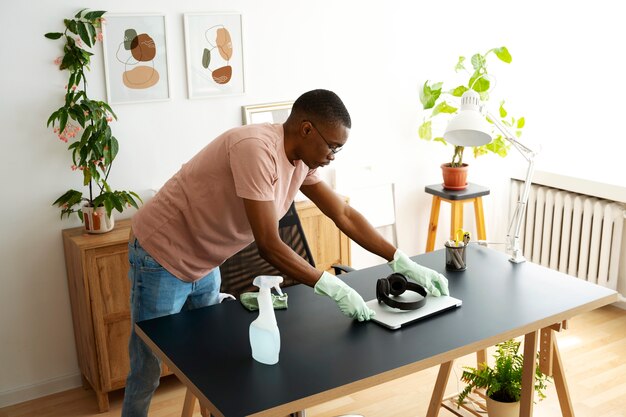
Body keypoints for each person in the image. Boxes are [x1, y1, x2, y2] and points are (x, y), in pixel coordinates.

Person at [121, 89, 449, 417]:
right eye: (333, 146)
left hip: (207, 260)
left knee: (210, 364)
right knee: (147, 369)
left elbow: (343, 215)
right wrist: (329, 285)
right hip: (160, 255)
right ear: (306, 129)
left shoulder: (301, 161)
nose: (334, 155)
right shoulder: (255, 150)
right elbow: (268, 242)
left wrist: (400, 259)